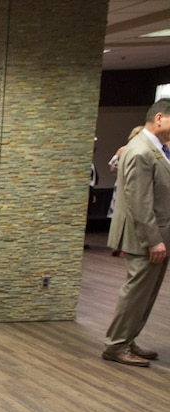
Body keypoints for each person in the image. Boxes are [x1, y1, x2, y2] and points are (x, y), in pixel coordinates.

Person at [101, 98, 170, 367]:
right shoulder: (140, 151)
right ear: (160, 118)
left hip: (158, 234)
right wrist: (153, 240)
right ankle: (116, 344)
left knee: (146, 294)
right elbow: (139, 200)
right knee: (136, 292)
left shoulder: (158, 149)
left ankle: (128, 340)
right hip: (145, 237)